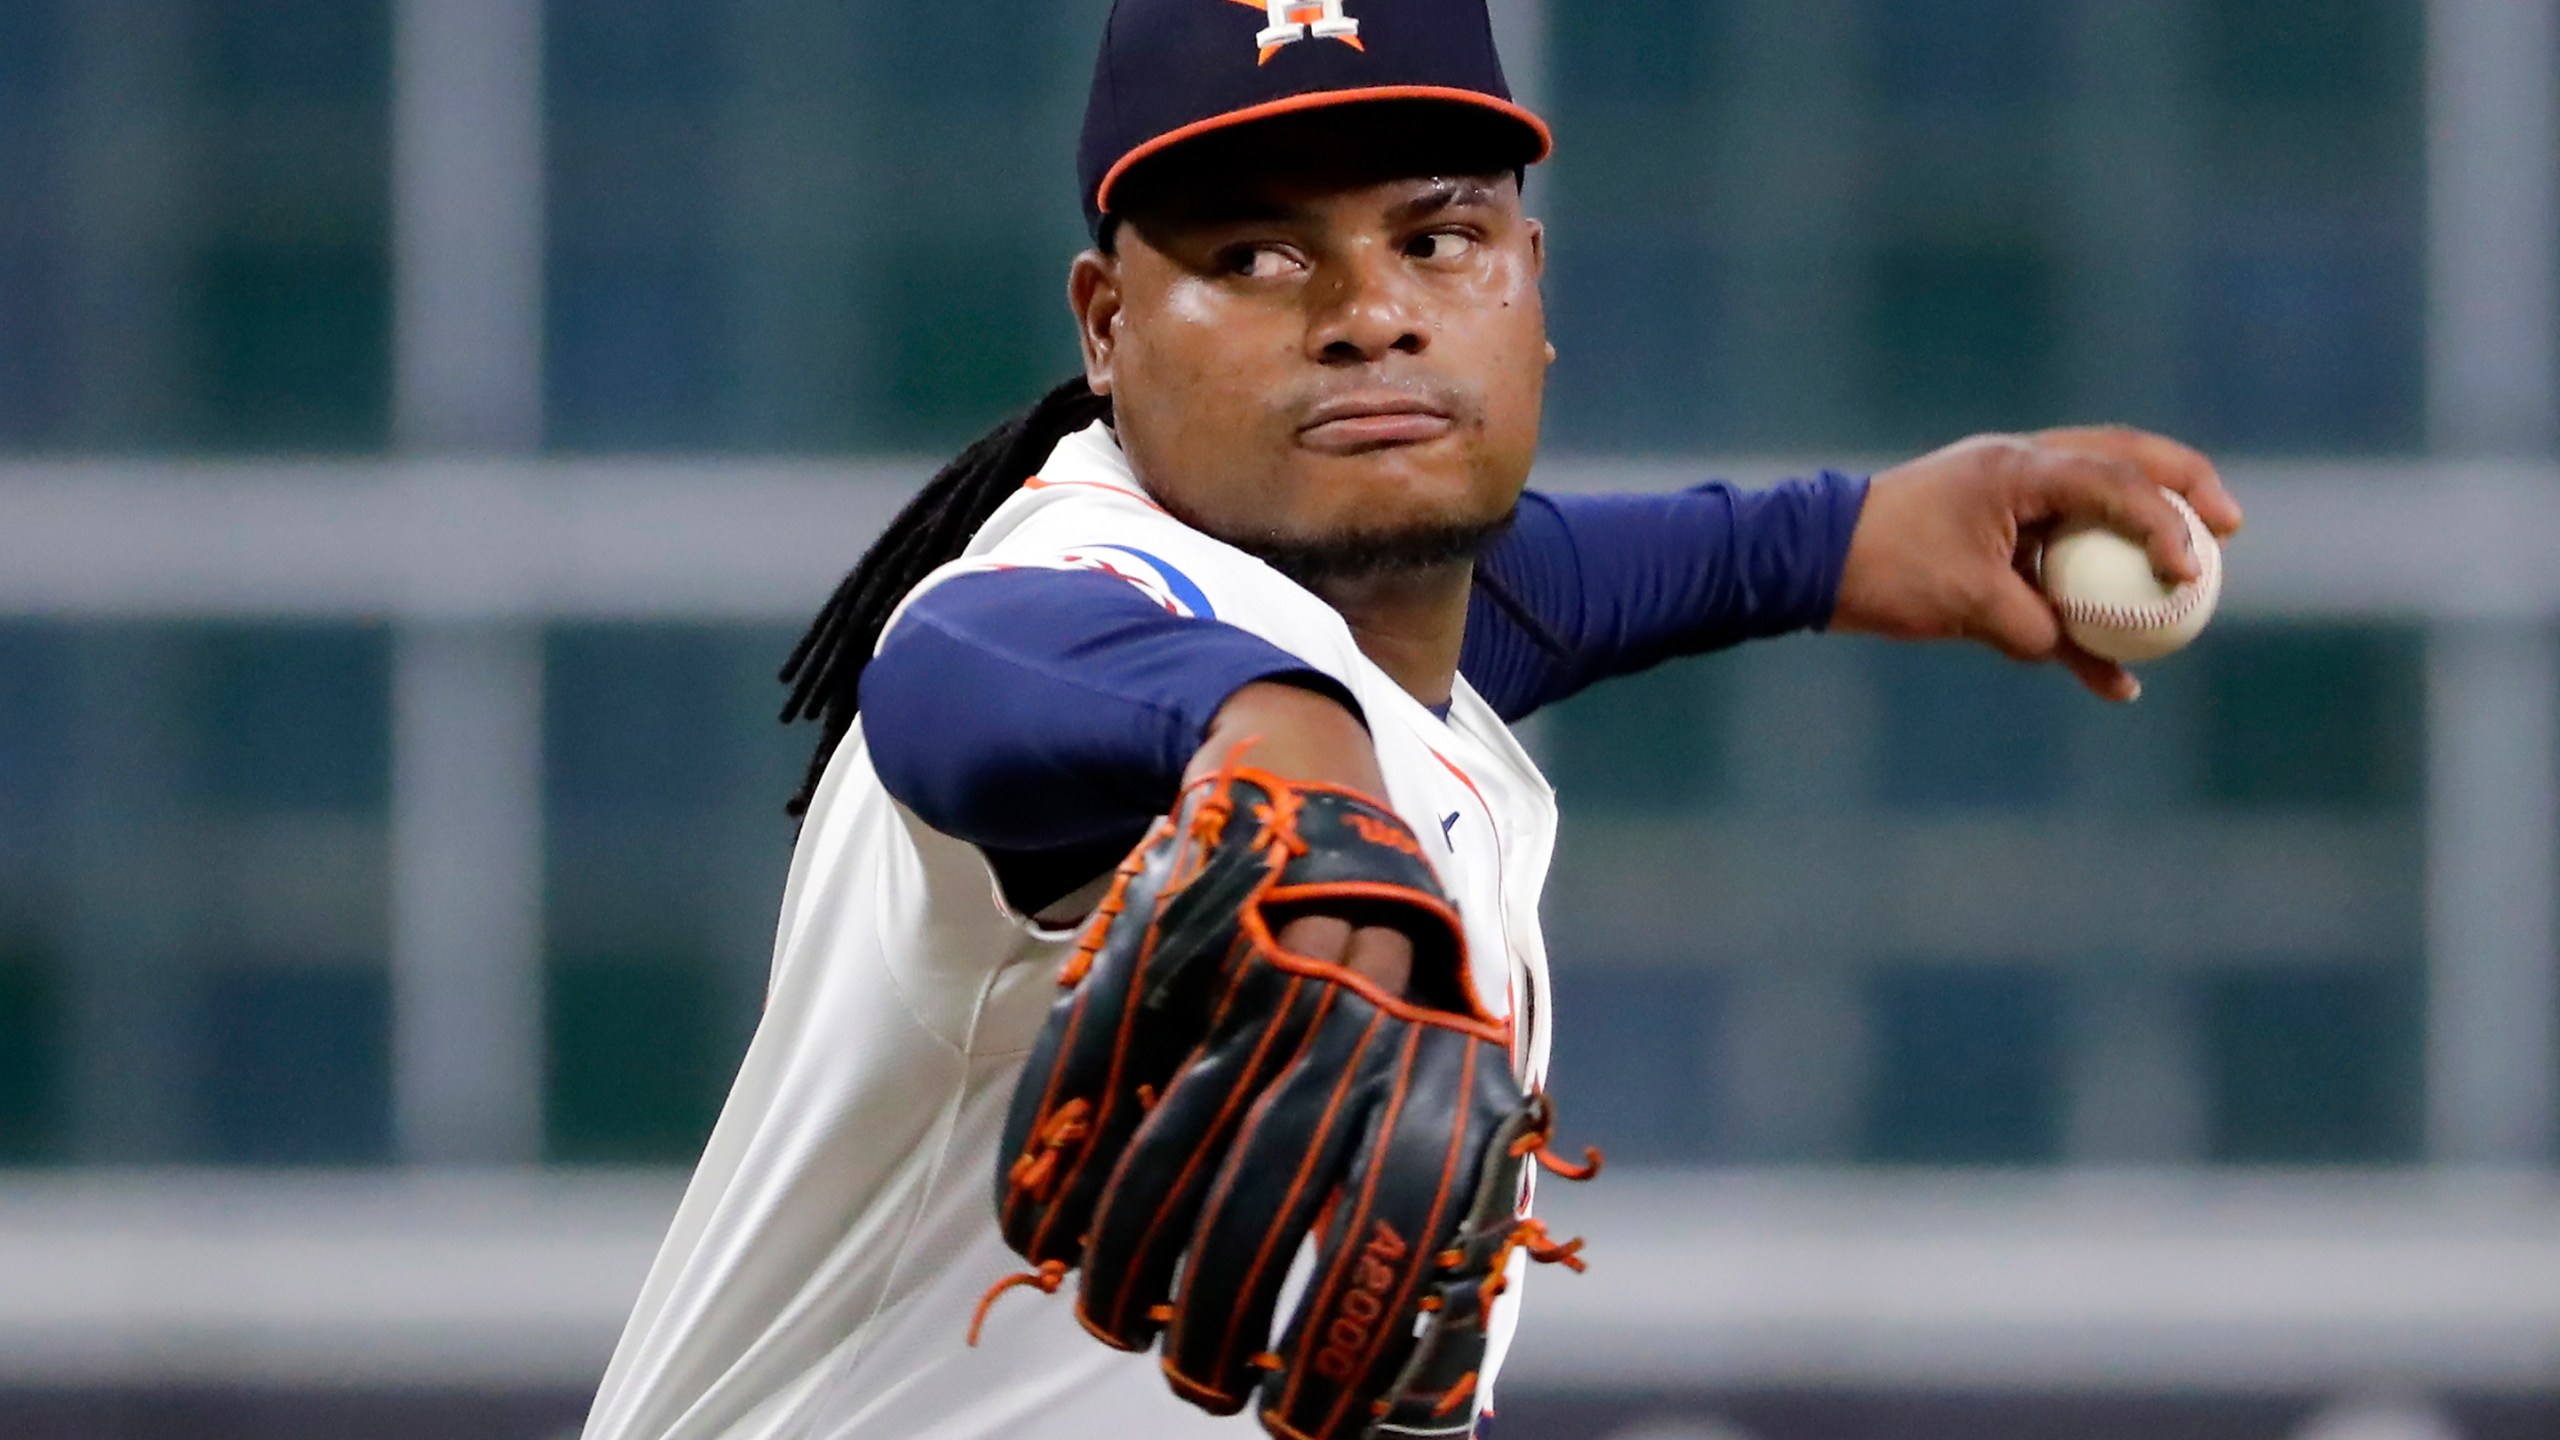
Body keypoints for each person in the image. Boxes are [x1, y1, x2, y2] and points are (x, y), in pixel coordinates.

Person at [581, 2, 2244, 1437]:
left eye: (1434, 237)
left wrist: (1842, 538)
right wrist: (1264, 732)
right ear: (1104, 330)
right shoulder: (1085, 599)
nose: (1367, 310)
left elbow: (1537, 594)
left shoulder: (1372, 626)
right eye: (1256, 255)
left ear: (1527, 281)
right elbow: (966, 668)